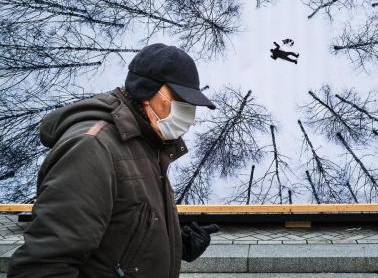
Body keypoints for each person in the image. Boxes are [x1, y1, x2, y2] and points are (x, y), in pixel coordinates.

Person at [8, 43, 220, 278]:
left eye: (191, 104)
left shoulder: (145, 144)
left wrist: (175, 242)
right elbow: (42, 268)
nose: (188, 111)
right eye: (180, 99)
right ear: (147, 91)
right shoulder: (92, 148)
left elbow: (123, 230)